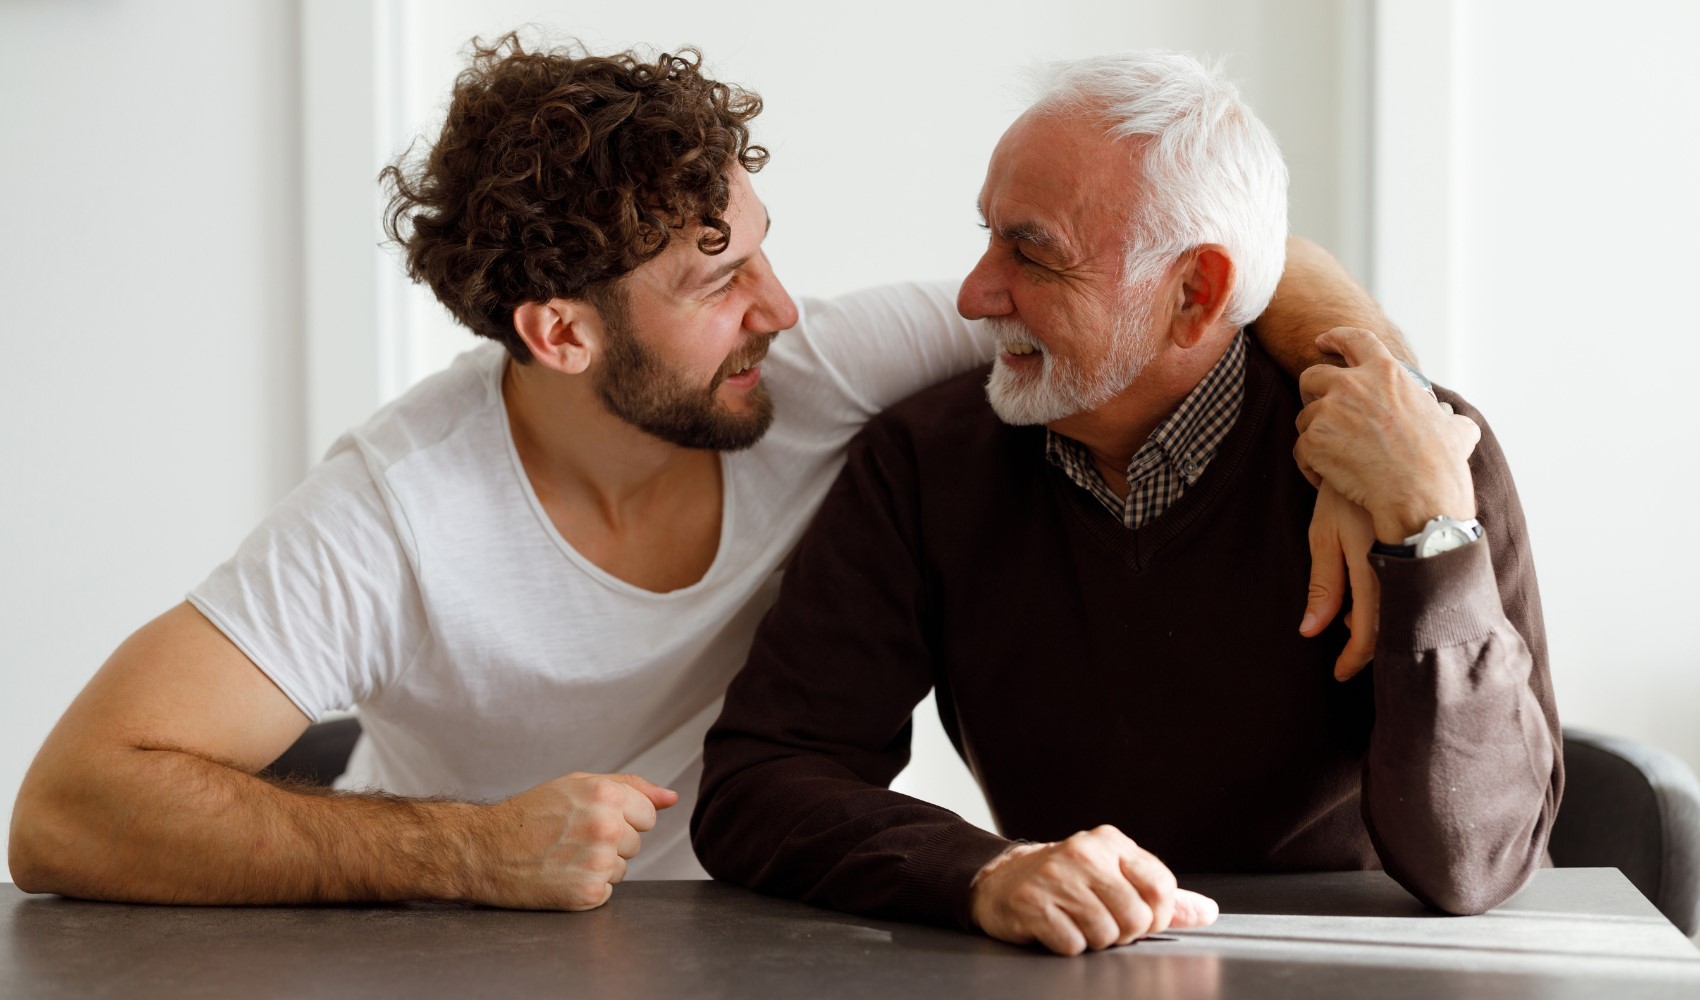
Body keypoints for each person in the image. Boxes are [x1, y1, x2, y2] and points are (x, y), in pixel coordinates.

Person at [10, 37, 1411, 910]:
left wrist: (1370, 420)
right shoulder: (393, 513)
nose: (782, 307)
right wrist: (465, 854)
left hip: (789, 928)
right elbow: (68, 804)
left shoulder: (816, 373)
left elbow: (1221, 273)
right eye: (717, 276)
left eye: (761, 243)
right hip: (486, 959)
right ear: (561, 333)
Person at [691, 51, 1560, 955]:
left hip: (1347, 969)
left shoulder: (1421, 458)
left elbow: (1476, 865)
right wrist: (983, 872)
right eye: (987, 237)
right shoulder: (924, 463)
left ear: (1196, 293)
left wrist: (1430, 537)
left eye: (1032, 253)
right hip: (1063, 968)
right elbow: (764, 777)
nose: (974, 294)